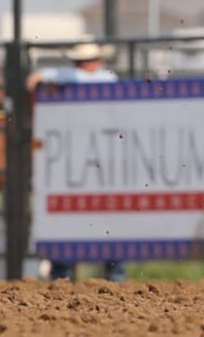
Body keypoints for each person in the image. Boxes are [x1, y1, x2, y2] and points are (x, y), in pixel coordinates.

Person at [28, 40, 126, 283]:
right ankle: (108, 273)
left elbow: (35, 79)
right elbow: (36, 79)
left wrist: (52, 84)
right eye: (82, 61)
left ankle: (70, 272)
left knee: (88, 215)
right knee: (89, 215)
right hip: (88, 158)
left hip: (90, 158)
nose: (85, 66)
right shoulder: (100, 78)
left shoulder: (100, 78)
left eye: (86, 61)